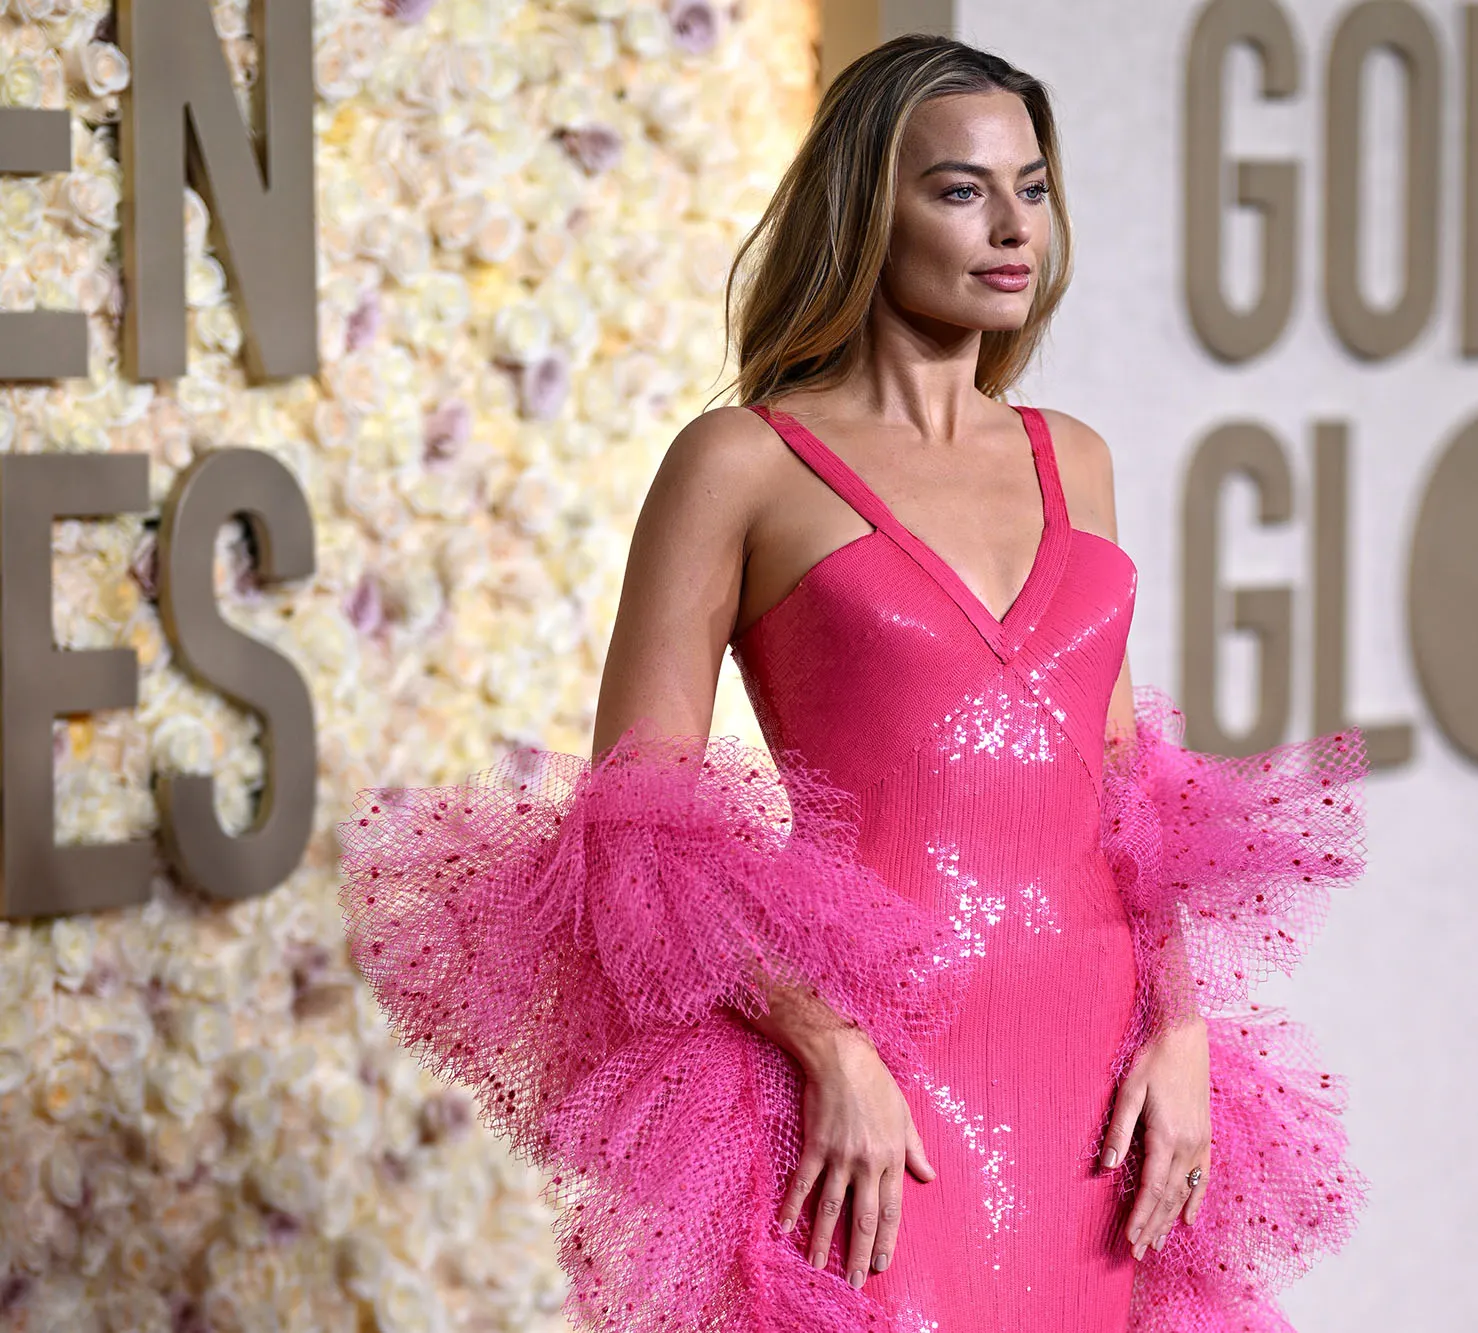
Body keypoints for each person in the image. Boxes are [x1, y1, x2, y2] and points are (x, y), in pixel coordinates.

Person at [338, 34, 1368, 1333]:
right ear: (866, 211)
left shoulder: (1075, 459)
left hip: (1095, 1067)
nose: (1012, 228)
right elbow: (635, 833)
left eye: (1034, 189)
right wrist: (826, 1048)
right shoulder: (741, 464)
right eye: (960, 190)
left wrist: (1178, 1027)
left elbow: (1125, 796)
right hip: (876, 1072)